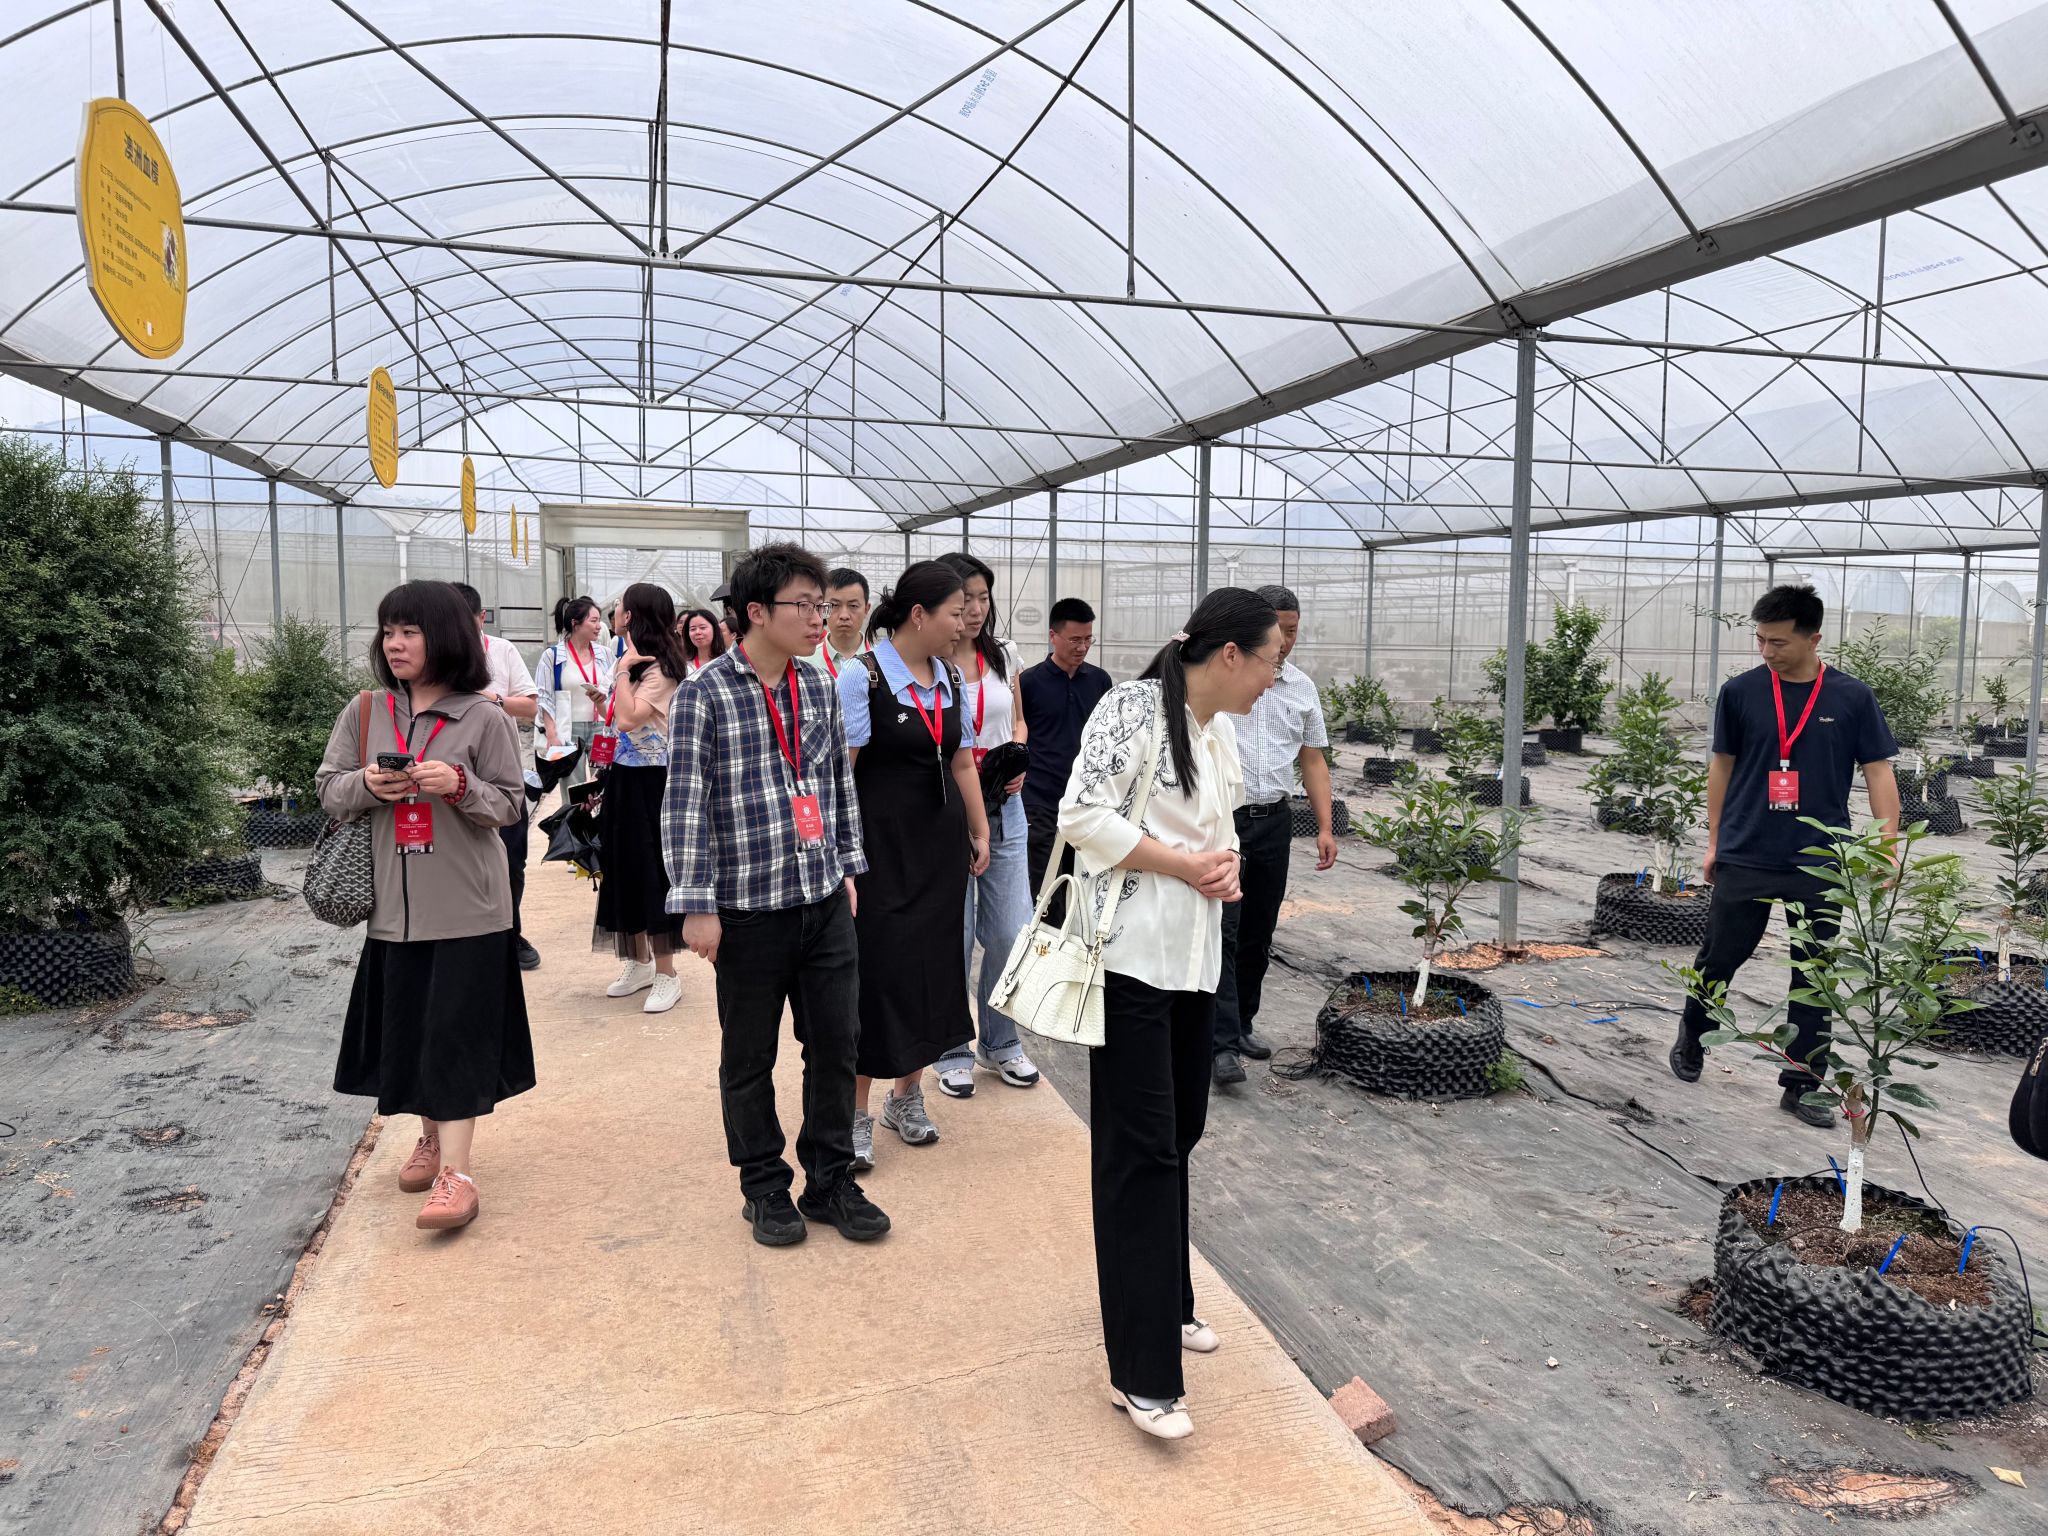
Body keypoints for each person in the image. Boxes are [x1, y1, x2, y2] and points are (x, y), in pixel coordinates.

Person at [1058, 587, 1276, 1442]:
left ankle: (1169, 1300)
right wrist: (1186, 866)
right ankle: (1142, 1376)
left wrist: (1224, 868)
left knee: (1180, 1132)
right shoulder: (1133, 708)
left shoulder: (1217, 731)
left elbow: (1218, 835)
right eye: (1270, 660)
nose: (1273, 677)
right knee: (1141, 1152)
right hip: (1130, 963)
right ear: (1230, 655)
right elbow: (1082, 814)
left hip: (1192, 963)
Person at [667, 542, 890, 1248]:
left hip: (821, 897)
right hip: (747, 907)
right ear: (757, 612)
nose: (822, 617)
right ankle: (764, 1185)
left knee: (836, 1045)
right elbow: (684, 802)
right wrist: (697, 903)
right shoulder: (705, 692)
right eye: (807, 605)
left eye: (825, 605)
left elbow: (835, 785)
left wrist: (847, 867)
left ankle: (830, 1180)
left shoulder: (818, 685)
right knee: (749, 1056)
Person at [315, 579, 534, 1233]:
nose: (396, 643)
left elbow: (511, 805)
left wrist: (460, 785)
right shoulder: (365, 711)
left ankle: (457, 1176)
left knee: (456, 1037)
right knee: (413, 1030)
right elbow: (328, 789)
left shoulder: (485, 717)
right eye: (389, 631)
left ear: (445, 637)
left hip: (470, 907)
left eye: (410, 631)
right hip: (393, 909)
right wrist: (367, 783)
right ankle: (431, 1138)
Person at [1672, 584, 1901, 1126]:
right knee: (1720, 957)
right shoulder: (1740, 692)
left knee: (1815, 975)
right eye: (1760, 640)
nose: (1766, 651)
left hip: (1820, 858)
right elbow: (1722, 766)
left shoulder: (1851, 697)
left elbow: (1878, 772)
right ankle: (1694, 1035)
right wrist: (1714, 840)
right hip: (1747, 849)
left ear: (1813, 639)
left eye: (1778, 642)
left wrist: (1886, 848)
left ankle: (1803, 1083)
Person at [839, 561, 991, 1165]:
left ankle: (907, 1096)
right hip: (879, 852)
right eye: (956, 612)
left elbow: (961, 761)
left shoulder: (949, 675)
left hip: (939, 851)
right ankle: (854, 1111)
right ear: (919, 615)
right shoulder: (863, 676)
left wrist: (979, 829)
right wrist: (843, 855)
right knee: (876, 973)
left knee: (934, 968)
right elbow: (842, 773)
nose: (965, 622)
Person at [1211, 584, 1338, 1087]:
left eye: (1293, 631)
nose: (1285, 641)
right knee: (1223, 928)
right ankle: (1220, 1044)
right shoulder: (1226, 679)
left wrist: (1324, 826)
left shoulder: (1301, 687)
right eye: (1278, 630)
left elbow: (1313, 759)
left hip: (1274, 822)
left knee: (1258, 930)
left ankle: (1242, 1023)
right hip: (1224, 821)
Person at [931, 551, 1040, 1098]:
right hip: (947, 809)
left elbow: (1017, 718)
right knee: (952, 933)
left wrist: (1016, 751)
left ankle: (1000, 1041)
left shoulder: (1003, 654)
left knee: (1009, 931)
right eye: (964, 600)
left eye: (982, 598)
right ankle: (951, 1047)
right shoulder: (927, 661)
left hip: (1004, 806)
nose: (975, 610)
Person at [595, 583, 690, 1013]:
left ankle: (667, 973)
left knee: (653, 872)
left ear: (631, 615)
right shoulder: (634, 662)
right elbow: (618, 718)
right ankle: (639, 962)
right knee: (623, 868)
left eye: (619, 607)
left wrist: (619, 673)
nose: (614, 612)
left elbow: (630, 718)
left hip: (654, 782)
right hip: (624, 777)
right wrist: (609, 694)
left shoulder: (661, 667)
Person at [452, 583, 544, 972]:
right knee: (455, 862)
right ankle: (462, 940)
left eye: (465, 618)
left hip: (500, 778)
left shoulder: (502, 651)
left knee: (510, 860)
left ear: (481, 617)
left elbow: (530, 706)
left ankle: (510, 932)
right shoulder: (436, 657)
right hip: (450, 778)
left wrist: (491, 700)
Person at [1020, 597, 1114, 919]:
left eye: (1088, 639)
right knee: (1044, 889)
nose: (1082, 647)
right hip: (1039, 800)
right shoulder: (1029, 682)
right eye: (1075, 639)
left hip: (1084, 800)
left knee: (1082, 887)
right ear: (1053, 636)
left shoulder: (1100, 682)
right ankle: (1043, 944)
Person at [536, 596, 613, 789]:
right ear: (575, 623)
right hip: (568, 730)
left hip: (601, 730)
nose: (599, 626)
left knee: (603, 787)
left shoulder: (605, 654)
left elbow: (614, 689)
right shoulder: (553, 656)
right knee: (573, 790)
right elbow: (545, 698)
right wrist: (552, 734)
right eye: (593, 621)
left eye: (599, 620)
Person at [803, 566, 872, 680]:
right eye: (834, 605)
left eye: (853, 605)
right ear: (823, 608)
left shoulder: (883, 661)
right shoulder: (805, 664)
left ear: (866, 609)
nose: (844, 616)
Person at [679, 607, 726, 675]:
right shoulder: (683, 664)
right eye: (693, 629)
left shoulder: (727, 661)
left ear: (715, 629)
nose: (697, 632)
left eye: (702, 627)